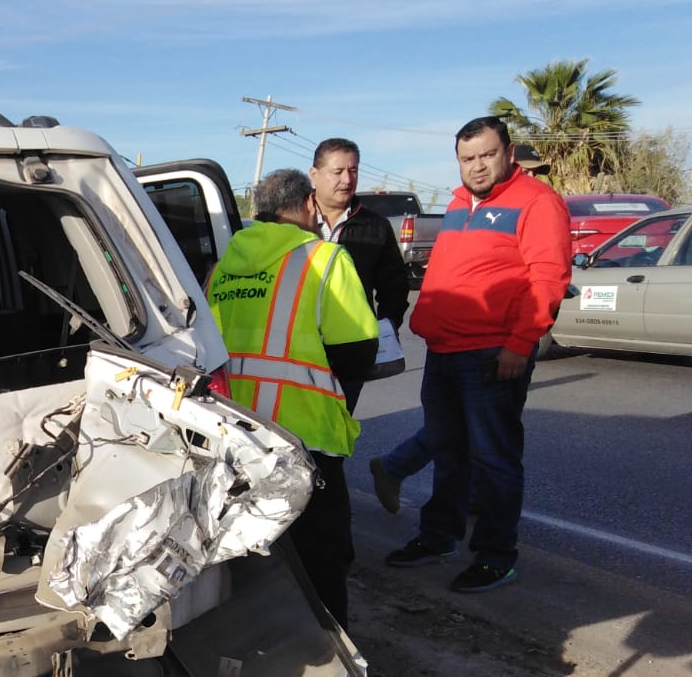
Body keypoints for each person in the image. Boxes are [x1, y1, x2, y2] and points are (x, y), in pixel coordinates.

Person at [382, 116, 570, 592]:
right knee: (449, 453)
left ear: (508, 152)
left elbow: (547, 278)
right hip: (444, 349)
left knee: (494, 460)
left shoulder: (537, 202)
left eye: (487, 155)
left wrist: (519, 344)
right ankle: (438, 537)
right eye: (468, 158)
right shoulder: (457, 203)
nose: (478, 166)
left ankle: (495, 556)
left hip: (491, 352)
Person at [207, 168, 379, 627]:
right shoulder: (325, 258)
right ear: (308, 204)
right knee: (322, 557)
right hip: (304, 439)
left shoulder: (221, 268)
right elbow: (357, 354)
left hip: (237, 436)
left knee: (250, 550)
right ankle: (328, 646)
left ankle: (262, 640)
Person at [308, 137, 411, 409]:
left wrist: (385, 329)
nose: (347, 179)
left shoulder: (374, 225)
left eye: (353, 170)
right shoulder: (291, 220)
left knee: (340, 424)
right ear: (314, 175)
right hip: (296, 347)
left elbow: (394, 285)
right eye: (337, 171)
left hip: (349, 352)